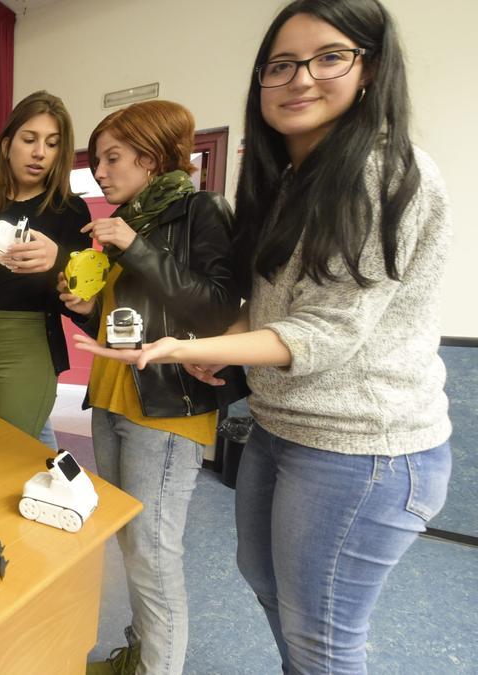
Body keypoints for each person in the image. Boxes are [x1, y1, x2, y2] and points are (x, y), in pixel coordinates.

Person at [73, 1, 452, 671]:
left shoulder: (373, 172)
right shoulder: (286, 183)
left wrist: (187, 346)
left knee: (317, 636)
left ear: (371, 68)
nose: (301, 79)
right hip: (280, 422)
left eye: (329, 57)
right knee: (271, 590)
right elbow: (264, 305)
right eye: (281, 65)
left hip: (359, 442)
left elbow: (306, 329)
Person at [68, 100, 244, 675]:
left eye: (112, 158)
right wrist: (84, 309)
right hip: (115, 394)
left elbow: (216, 310)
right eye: (98, 161)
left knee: (153, 553)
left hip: (169, 406)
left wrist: (134, 249)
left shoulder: (201, 210)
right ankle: (137, 655)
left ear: (150, 156)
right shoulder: (131, 222)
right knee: (131, 544)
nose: (101, 171)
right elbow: (129, 324)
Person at [0, 90, 92, 446]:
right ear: (7, 145)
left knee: (3, 455)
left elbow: (81, 304)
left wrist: (58, 260)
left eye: (52, 144)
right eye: (30, 139)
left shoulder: (70, 211)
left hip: (26, 345)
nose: (40, 152)